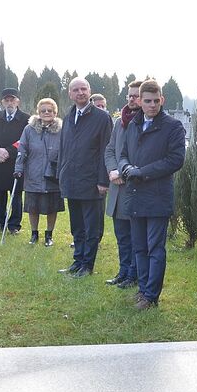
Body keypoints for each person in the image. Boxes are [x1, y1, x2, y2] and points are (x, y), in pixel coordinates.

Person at [117, 79, 185, 309]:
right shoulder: (134, 124)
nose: (152, 105)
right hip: (135, 194)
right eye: (147, 101)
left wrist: (141, 172)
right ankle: (143, 289)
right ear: (140, 101)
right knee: (139, 247)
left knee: (155, 248)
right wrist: (125, 167)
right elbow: (124, 153)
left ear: (162, 100)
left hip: (157, 196)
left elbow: (175, 160)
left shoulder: (172, 127)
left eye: (156, 101)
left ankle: (151, 296)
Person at [57, 78, 112, 278]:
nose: (80, 93)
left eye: (83, 89)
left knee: (91, 228)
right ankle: (77, 261)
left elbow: (105, 151)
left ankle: (87, 266)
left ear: (89, 91)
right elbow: (64, 149)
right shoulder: (69, 117)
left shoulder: (101, 118)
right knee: (77, 226)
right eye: (75, 90)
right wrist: (60, 176)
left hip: (92, 183)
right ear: (70, 94)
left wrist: (102, 181)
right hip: (71, 181)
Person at [103, 79, 142, 289]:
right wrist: (111, 170)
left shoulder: (146, 122)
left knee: (136, 237)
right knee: (122, 236)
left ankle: (133, 275)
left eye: (136, 95)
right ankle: (123, 271)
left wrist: (123, 173)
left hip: (135, 188)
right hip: (117, 186)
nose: (132, 99)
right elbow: (110, 149)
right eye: (130, 95)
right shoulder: (120, 122)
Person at [14, 98, 64, 246]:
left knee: (52, 207)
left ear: (55, 112)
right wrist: (18, 168)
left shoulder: (62, 130)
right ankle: (34, 234)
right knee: (32, 206)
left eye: (50, 110)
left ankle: (49, 235)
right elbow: (21, 149)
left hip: (53, 175)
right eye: (43, 110)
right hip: (33, 173)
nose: (47, 113)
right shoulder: (29, 129)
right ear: (38, 112)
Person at [0, 88, 29, 234]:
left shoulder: (26, 119)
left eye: (12, 100)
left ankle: (14, 225)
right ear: (2, 102)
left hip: (16, 162)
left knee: (16, 194)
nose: (10, 103)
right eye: (7, 100)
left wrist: (8, 151)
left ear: (17, 102)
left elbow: (24, 140)